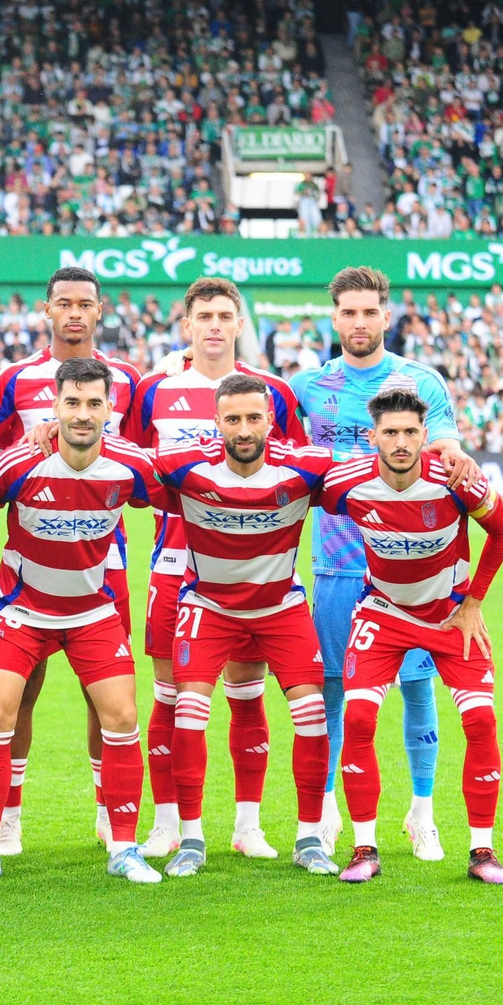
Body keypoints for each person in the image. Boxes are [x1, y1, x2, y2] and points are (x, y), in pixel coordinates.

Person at [0, 358, 164, 885]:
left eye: (94, 403)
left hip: (92, 610)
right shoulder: (19, 462)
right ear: (54, 405)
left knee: (121, 718)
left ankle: (123, 847)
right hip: (20, 610)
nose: (82, 414)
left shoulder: (131, 466)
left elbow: (184, 496)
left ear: (110, 409)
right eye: (72, 402)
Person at [288, 266, 479, 860]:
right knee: (334, 689)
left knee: (418, 687)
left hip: (412, 572)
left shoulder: (418, 381)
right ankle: (326, 816)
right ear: (335, 317)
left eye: (369, 312)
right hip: (337, 564)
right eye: (348, 312)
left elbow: (445, 447)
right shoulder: (307, 386)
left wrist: (460, 453)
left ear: (386, 315)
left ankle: (422, 813)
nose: (359, 322)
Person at [125, 277, 305, 859]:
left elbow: (297, 468)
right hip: (175, 563)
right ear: (186, 325)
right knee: (170, 697)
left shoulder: (272, 391)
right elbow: (130, 467)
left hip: (252, 567)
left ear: (239, 324)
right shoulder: (156, 389)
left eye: (225, 316)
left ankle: (247, 824)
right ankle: (169, 822)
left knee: (246, 695)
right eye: (203, 316)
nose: (214, 326)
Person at [0, 266, 140, 852]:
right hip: (32, 553)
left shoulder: (128, 379)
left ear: (98, 311)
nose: (73, 313)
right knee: (22, 689)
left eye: (83, 304)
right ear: (46, 310)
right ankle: (7, 814)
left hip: (102, 559)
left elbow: (137, 456)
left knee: (106, 694)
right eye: (62, 303)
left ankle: (105, 808)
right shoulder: (16, 377)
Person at [318, 387, 503, 885]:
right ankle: (364, 848)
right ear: (373, 437)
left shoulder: (454, 478)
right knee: (359, 716)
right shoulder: (346, 483)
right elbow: (294, 496)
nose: (401, 441)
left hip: (450, 615)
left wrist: (473, 604)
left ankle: (482, 851)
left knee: (482, 723)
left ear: (426, 436)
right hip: (382, 612)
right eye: (390, 433)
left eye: (410, 432)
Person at [153, 374, 338, 877]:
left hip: (279, 608)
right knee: (189, 712)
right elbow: (124, 460)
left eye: (253, 417)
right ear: (216, 422)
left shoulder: (304, 468)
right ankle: (191, 839)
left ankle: (308, 838)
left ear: (270, 421)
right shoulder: (185, 466)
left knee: (312, 714)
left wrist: (440, 456)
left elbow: (369, 471)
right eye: (232, 418)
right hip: (208, 606)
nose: (243, 428)